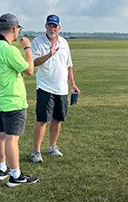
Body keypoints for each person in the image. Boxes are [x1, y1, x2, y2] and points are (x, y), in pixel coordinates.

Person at [0, 13, 38, 187]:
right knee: (12, 139)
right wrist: (28, 48)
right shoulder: (9, 50)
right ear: (14, 29)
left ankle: (1, 169)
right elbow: (29, 70)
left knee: (1, 135)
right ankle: (16, 175)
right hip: (13, 100)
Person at [29, 14, 80, 163]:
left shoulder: (64, 42)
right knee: (42, 119)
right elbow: (33, 62)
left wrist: (73, 83)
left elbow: (68, 65)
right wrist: (49, 54)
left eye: (55, 26)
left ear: (59, 28)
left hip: (62, 88)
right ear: (45, 26)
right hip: (45, 87)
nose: (52, 28)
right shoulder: (38, 42)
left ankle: (52, 147)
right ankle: (36, 151)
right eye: (50, 25)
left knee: (57, 119)